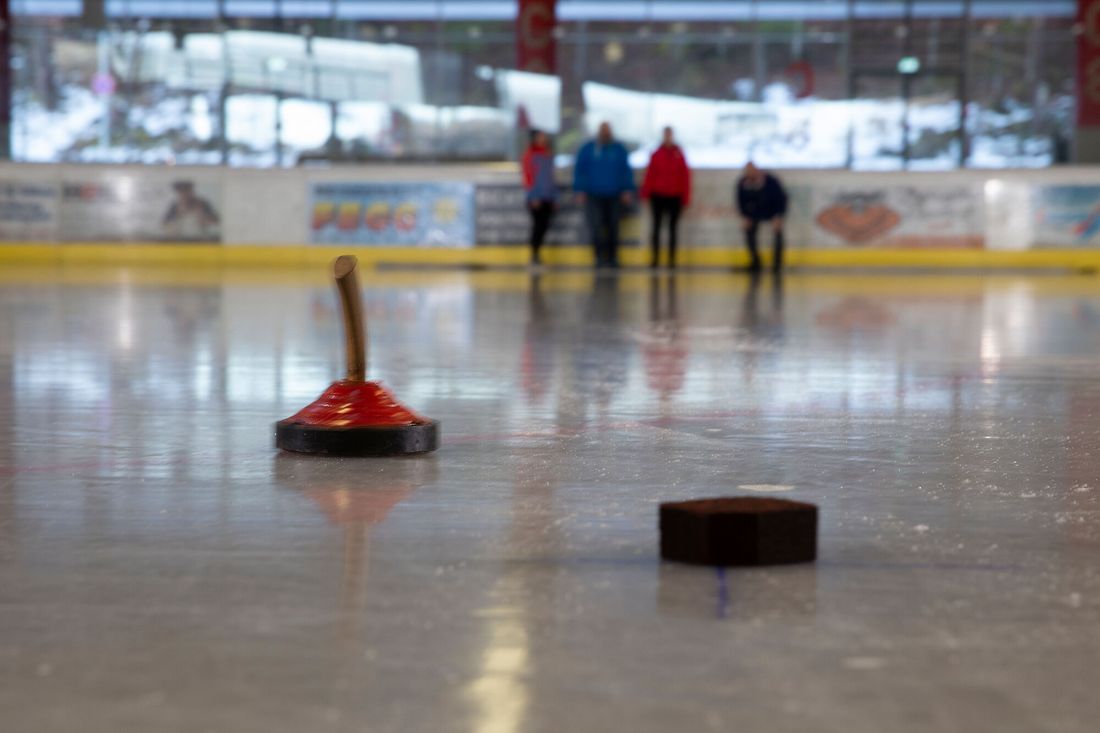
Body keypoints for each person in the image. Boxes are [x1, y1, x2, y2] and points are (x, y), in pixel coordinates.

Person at [572, 122, 635, 268]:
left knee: (613, 227)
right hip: (593, 195)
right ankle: (599, 257)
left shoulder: (619, 149)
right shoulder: (588, 149)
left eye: (608, 130)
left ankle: (612, 257)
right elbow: (580, 170)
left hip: (614, 194)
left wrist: (626, 189)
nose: (606, 133)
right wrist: (580, 189)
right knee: (596, 226)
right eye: (603, 130)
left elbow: (626, 170)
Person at [641, 126, 691, 269]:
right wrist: (646, 193)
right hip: (658, 195)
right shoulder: (657, 154)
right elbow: (650, 174)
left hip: (675, 196)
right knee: (656, 227)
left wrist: (685, 197)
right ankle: (655, 258)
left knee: (672, 228)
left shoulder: (679, 154)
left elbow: (685, 177)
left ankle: (671, 259)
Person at [735, 162, 788, 273]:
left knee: (778, 232)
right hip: (754, 212)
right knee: (749, 230)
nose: (750, 174)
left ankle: (777, 265)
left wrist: (778, 216)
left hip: (772, 211)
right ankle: (756, 262)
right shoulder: (743, 183)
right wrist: (745, 217)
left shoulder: (771, 181)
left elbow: (781, 199)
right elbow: (740, 202)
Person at [521, 129, 557, 266]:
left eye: (545, 136)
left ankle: (537, 255)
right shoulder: (530, 155)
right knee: (537, 227)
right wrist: (533, 196)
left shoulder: (548, 154)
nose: (544, 138)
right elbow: (528, 177)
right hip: (536, 198)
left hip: (548, 197)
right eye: (541, 136)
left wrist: (554, 197)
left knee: (544, 226)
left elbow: (551, 178)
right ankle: (534, 256)